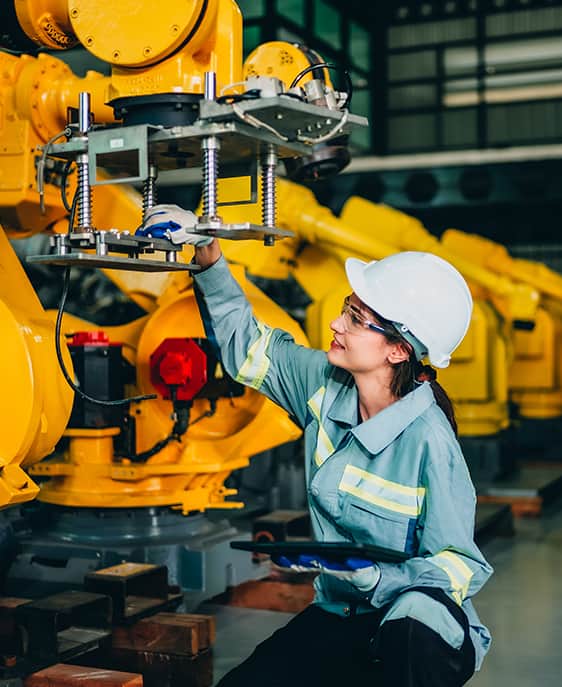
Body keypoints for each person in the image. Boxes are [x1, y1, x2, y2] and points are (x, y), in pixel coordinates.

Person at [142, 205, 494, 687]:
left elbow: (459, 566)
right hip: (340, 611)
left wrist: (379, 581)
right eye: (346, 308)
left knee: (410, 630)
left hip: (411, 628)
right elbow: (248, 347)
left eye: (355, 317)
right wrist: (207, 255)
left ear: (397, 350)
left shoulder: (429, 440)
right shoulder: (323, 385)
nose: (336, 323)